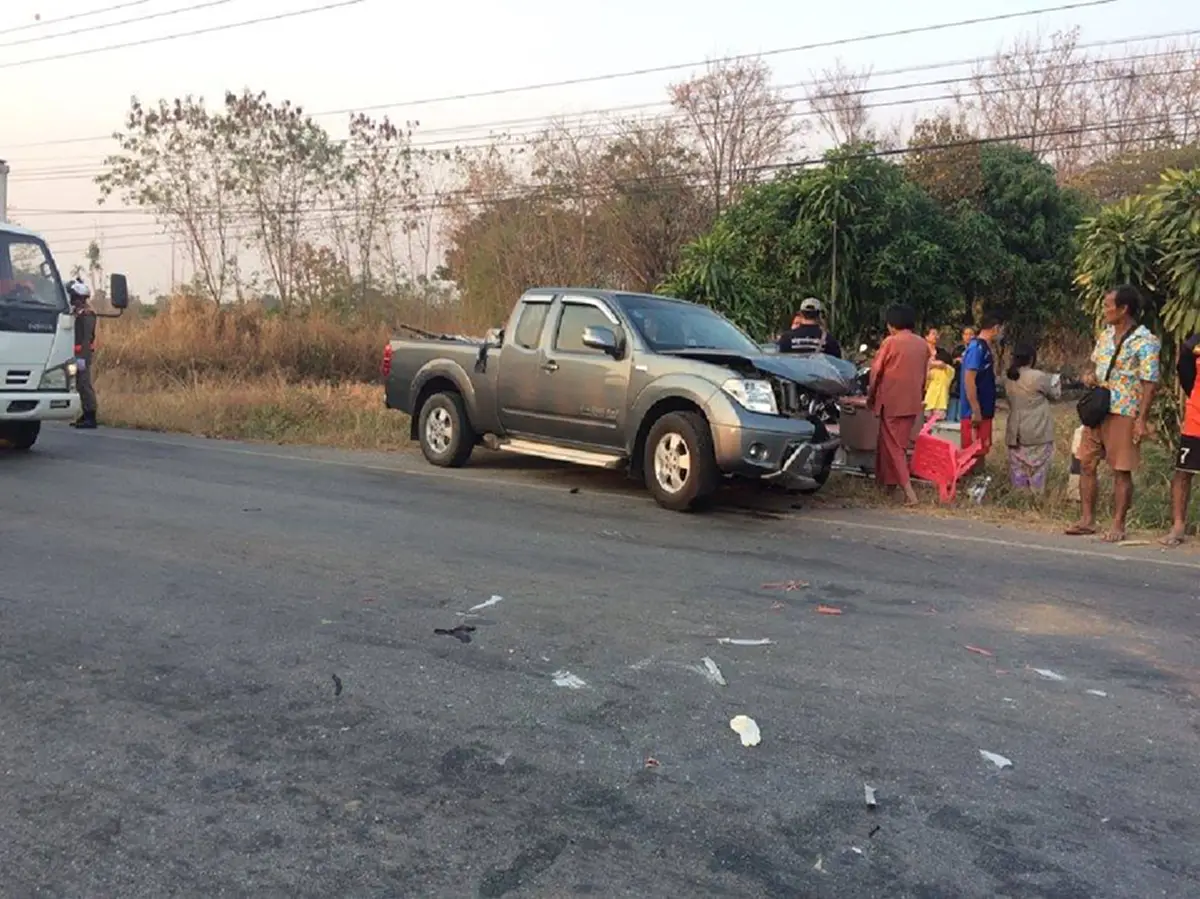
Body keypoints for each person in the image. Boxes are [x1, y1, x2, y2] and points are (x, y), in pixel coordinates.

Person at [1067, 285, 1160, 543]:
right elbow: (1095, 365)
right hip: (1099, 408)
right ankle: (1087, 519)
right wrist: (1090, 376)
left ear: (1124, 309)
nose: (1105, 310)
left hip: (1124, 410)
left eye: (1109, 306)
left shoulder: (1145, 341)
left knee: (1121, 469)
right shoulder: (1105, 336)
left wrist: (1141, 419)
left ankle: (1118, 524)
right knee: (1086, 462)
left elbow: (1149, 382)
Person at [868, 303, 928, 506]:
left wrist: (871, 396)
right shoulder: (922, 344)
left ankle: (909, 493)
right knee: (892, 445)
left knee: (894, 448)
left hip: (892, 401)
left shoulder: (891, 342)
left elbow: (876, 372)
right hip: (912, 402)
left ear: (892, 324)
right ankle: (887, 487)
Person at [1003, 342, 1062, 492]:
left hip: (1015, 431)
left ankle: (1020, 499)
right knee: (1038, 470)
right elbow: (1056, 395)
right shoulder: (1038, 376)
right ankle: (1036, 499)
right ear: (1031, 359)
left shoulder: (1009, 377)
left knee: (1018, 470)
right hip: (1037, 429)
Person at [1159, 334, 1200, 547]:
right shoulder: (1194, 344)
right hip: (1196, 420)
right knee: (1183, 473)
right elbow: (1186, 374)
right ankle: (1178, 526)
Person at [959, 314, 1003, 457]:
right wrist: (975, 409)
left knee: (982, 449)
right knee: (973, 451)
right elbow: (969, 378)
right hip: (975, 411)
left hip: (985, 408)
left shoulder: (985, 348)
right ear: (995, 328)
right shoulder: (977, 347)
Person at [68, 278, 98, 429]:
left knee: (84, 383)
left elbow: (85, 337)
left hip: (82, 354)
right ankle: (85, 413)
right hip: (80, 352)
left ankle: (91, 415)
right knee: (79, 384)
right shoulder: (80, 312)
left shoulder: (86, 314)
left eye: (74, 296)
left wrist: (79, 354)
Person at [777, 297, 841, 357]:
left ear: (801, 314)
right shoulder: (829, 340)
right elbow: (836, 364)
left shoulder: (787, 338)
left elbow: (782, 363)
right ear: (819, 315)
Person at [945, 326, 976, 424]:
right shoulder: (958, 350)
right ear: (963, 336)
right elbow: (951, 364)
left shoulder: (976, 350)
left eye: (971, 334)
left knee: (963, 418)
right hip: (956, 384)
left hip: (969, 385)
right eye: (966, 334)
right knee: (951, 416)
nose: (968, 337)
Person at [924, 347, 953, 422]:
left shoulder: (949, 369)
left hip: (941, 402)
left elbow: (941, 364)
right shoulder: (933, 370)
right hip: (929, 401)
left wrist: (930, 362)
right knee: (927, 423)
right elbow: (926, 378)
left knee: (938, 424)